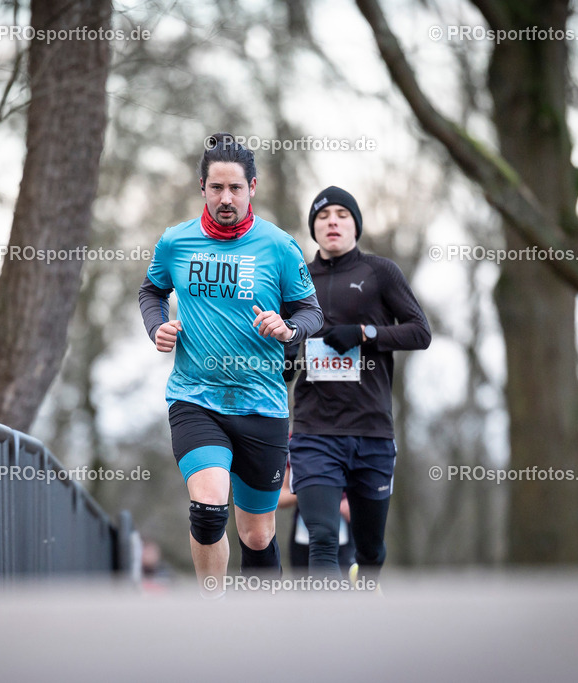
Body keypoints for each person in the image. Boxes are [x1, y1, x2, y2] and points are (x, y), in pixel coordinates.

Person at [138, 133, 323, 596]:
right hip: (195, 397)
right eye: (216, 188)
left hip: (262, 404)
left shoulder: (279, 246)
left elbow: (312, 312)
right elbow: (151, 291)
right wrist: (157, 326)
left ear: (253, 187)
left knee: (257, 535)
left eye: (235, 188)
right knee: (208, 505)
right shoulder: (175, 241)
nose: (225, 198)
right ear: (202, 187)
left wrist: (288, 329)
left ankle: (262, 629)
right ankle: (214, 614)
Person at [286, 186, 431, 586]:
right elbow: (284, 347)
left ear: (355, 225)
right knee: (322, 538)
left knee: (370, 550)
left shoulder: (379, 272)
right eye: (323, 215)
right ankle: (327, 630)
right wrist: (285, 357)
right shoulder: (297, 278)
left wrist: (364, 333)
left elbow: (420, 333)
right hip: (315, 431)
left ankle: (366, 597)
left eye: (342, 214)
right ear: (314, 228)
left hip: (371, 431)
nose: (332, 221)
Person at [277, 464, 355, 575]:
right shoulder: (296, 452)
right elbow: (280, 497)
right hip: (304, 536)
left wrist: (352, 504)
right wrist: (311, 492)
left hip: (344, 535)